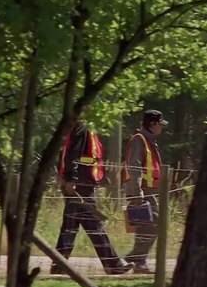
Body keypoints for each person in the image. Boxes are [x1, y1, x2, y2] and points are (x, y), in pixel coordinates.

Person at [51, 120, 127, 275]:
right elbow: (73, 156)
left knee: (72, 228)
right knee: (91, 227)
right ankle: (113, 265)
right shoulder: (82, 129)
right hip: (81, 186)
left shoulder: (82, 129)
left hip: (82, 184)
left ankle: (59, 266)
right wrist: (72, 180)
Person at [121, 109, 167, 274]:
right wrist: (136, 193)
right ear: (152, 124)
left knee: (147, 227)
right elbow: (134, 167)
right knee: (152, 225)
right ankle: (136, 260)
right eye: (160, 124)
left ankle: (135, 260)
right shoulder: (139, 140)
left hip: (148, 190)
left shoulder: (148, 140)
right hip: (142, 191)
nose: (162, 127)